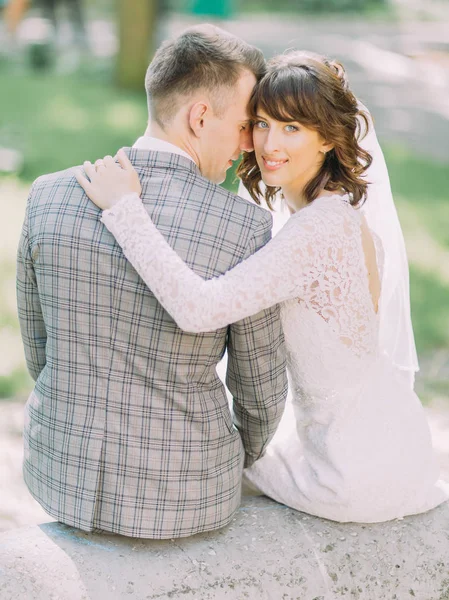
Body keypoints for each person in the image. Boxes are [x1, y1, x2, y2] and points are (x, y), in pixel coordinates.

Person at [78, 50, 449, 523]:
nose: (270, 143)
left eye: (293, 128)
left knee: (193, 477)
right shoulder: (338, 219)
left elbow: (199, 309)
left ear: (328, 140)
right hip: (393, 447)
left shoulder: (318, 230)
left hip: (349, 471)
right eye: (261, 123)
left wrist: (125, 211)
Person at [16, 25, 288, 539]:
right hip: (186, 494)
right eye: (247, 124)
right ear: (200, 116)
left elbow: (39, 354)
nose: (252, 144)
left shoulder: (47, 196)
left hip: (60, 474)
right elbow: (261, 395)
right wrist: (226, 458)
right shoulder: (244, 226)